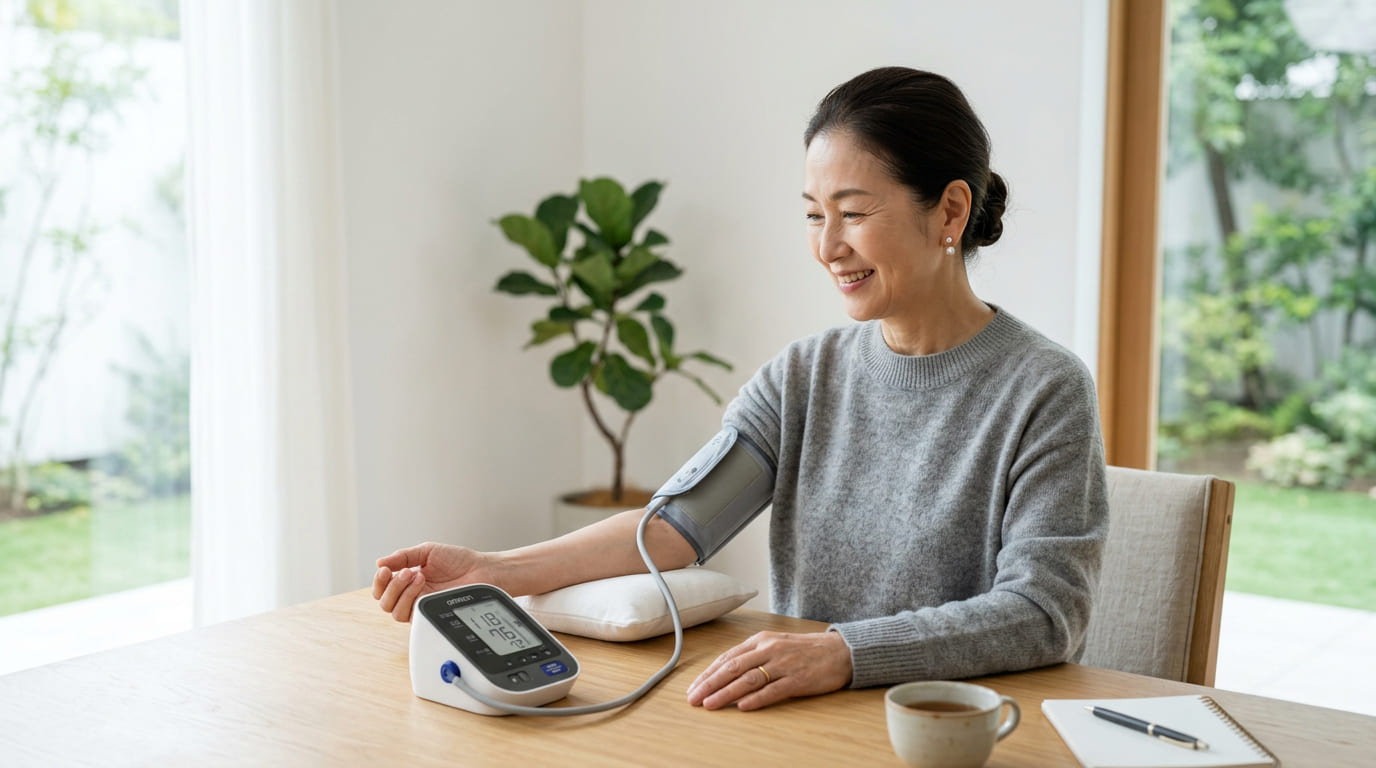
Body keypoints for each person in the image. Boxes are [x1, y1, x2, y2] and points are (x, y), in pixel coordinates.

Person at [373, 66, 1108, 713]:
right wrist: (491, 569)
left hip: (953, 729)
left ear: (949, 210)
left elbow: (1044, 613)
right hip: (800, 715)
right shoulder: (803, 376)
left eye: (853, 213)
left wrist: (844, 653)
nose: (827, 248)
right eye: (815, 216)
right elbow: (672, 528)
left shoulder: (1044, 390)